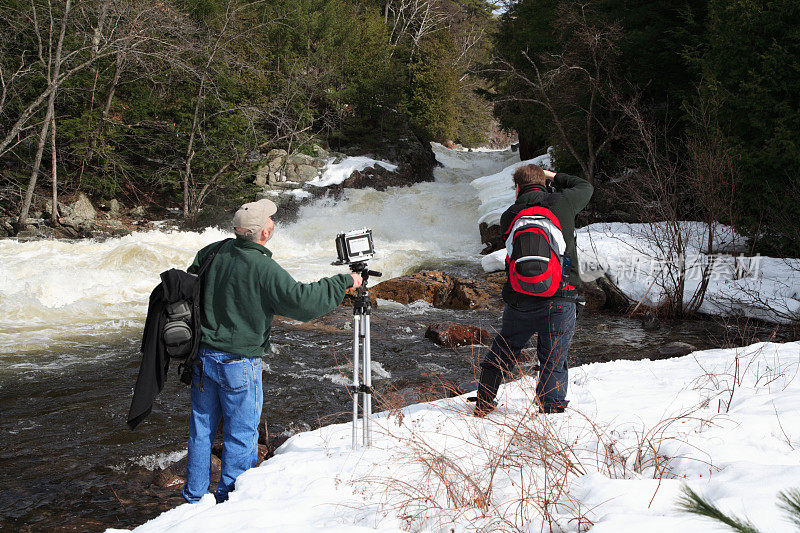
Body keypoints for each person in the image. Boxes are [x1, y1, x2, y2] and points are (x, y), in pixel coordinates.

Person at [182, 198, 362, 504]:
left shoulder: (211, 252)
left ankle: (194, 499)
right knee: (240, 435)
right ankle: (229, 503)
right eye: (271, 220)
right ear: (263, 233)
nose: (273, 223)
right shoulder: (264, 267)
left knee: (201, 430)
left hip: (203, 357)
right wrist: (344, 281)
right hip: (239, 363)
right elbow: (303, 303)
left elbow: (191, 287)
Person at [474, 164, 593, 416]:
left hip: (520, 299)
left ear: (517, 188)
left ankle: (484, 401)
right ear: (544, 183)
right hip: (560, 296)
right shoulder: (563, 203)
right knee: (553, 358)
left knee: (505, 348)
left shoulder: (509, 215)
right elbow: (585, 186)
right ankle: (550, 410)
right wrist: (553, 176)